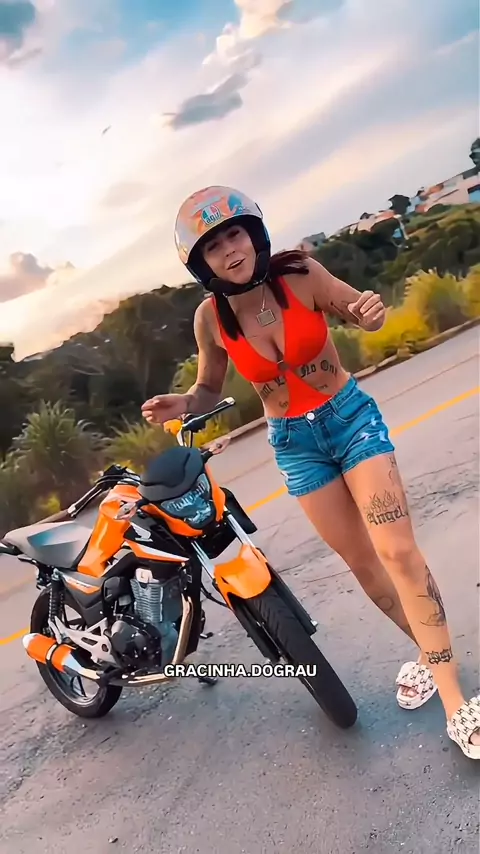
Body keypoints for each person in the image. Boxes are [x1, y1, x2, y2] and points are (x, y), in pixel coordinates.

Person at [142, 185, 480, 759]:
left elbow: (358, 310)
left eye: (234, 234)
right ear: (201, 264)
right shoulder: (211, 319)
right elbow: (208, 388)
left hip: (349, 420)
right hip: (295, 446)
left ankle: (454, 700)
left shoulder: (301, 275)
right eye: (214, 246)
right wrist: (185, 403)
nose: (230, 250)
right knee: (364, 565)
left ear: (253, 233)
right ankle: (430, 650)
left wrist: (370, 313)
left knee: (397, 551)